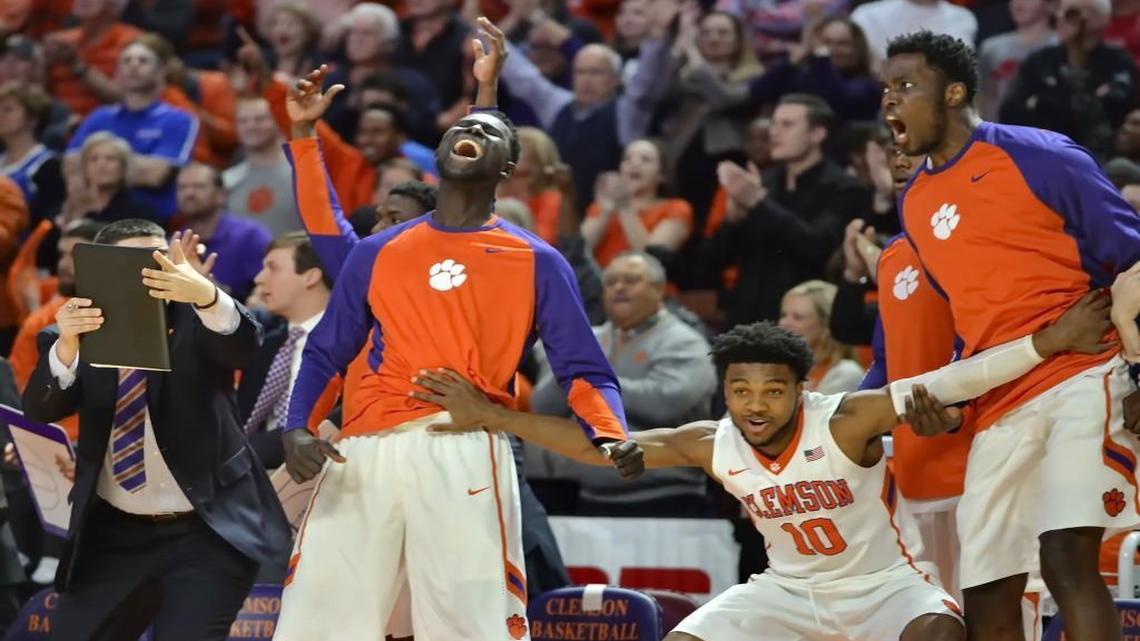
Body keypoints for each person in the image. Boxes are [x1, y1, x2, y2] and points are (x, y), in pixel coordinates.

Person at [413, 295, 1113, 641]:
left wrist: (1051, 339)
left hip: (884, 588)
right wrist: (497, 416)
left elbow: (960, 378)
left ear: (800, 388)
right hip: (787, 591)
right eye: (742, 389)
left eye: (772, 390)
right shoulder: (710, 439)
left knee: (940, 634)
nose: (755, 404)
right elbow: (597, 443)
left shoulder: (847, 417)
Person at [273, 19, 629, 641]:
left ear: (511, 166)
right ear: (436, 154)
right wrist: (296, 425)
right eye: (459, 130)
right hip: (362, 452)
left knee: (469, 626)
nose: (469, 134)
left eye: (485, 132)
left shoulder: (536, 260)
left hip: (460, 444)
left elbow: (584, 368)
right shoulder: (375, 252)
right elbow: (329, 350)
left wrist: (609, 430)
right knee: (317, 621)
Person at [881, 29, 1140, 641]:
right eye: (885, 90)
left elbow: (1133, 263)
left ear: (954, 93)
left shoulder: (1041, 156)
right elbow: (967, 320)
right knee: (988, 584)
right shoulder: (914, 202)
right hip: (1000, 404)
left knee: (1066, 560)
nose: (891, 102)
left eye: (906, 86)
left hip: (1084, 374)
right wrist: (953, 404)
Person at [22, 219, 290, 641]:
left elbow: (243, 345)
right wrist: (68, 347)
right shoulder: (73, 332)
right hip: (115, 533)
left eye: (158, 260)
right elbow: (40, 409)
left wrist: (204, 292)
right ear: (102, 271)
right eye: (134, 262)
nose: (149, 272)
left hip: (207, 530)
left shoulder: (200, 318)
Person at [530, 251, 716, 516]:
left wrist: (590, 378)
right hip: (587, 494)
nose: (619, 287)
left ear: (658, 289)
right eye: (611, 281)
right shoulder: (587, 339)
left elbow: (665, 403)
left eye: (631, 280)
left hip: (668, 497)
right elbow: (543, 405)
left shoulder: (685, 342)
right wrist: (573, 368)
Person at [65, 38, 199, 220]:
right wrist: (137, 164)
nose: (133, 66)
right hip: (95, 217)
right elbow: (71, 166)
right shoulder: (99, 116)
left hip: (150, 222)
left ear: (161, 72)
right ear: (117, 72)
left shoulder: (179, 120)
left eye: (143, 61)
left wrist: (95, 165)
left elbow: (156, 175)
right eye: (126, 61)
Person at [999, 0, 1139, 160]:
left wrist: (1045, 106)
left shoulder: (1119, 63)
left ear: (1098, 20)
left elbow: (1110, 117)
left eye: (1070, 13)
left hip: (1103, 159)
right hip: (1044, 153)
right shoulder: (1039, 61)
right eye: (1059, 11)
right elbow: (1010, 111)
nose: (1059, 18)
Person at [240, 233, 331, 469]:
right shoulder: (264, 347)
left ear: (310, 276)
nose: (259, 279)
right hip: (255, 478)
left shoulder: (353, 343)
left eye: (273, 268)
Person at [581, 138, 692, 269]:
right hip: (603, 284)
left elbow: (651, 261)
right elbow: (579, 253)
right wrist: (606, 213)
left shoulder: (676, 208)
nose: (634, 163)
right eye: (627, 159)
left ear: (662, 175)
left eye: (645, 159)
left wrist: (625, 208)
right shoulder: (600, 207)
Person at [175, 163, 272, 302]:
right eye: (182, 187)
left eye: (199, 186)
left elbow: (269, 292)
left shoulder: (250, 236)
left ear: (221, 195)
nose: (189, 193)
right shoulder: (174, 241)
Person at [779, 280, 865, 394]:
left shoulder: (846, 373)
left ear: (826, 325)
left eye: (797, 317)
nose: (784, 323)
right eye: (783, 315)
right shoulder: (784, 370)